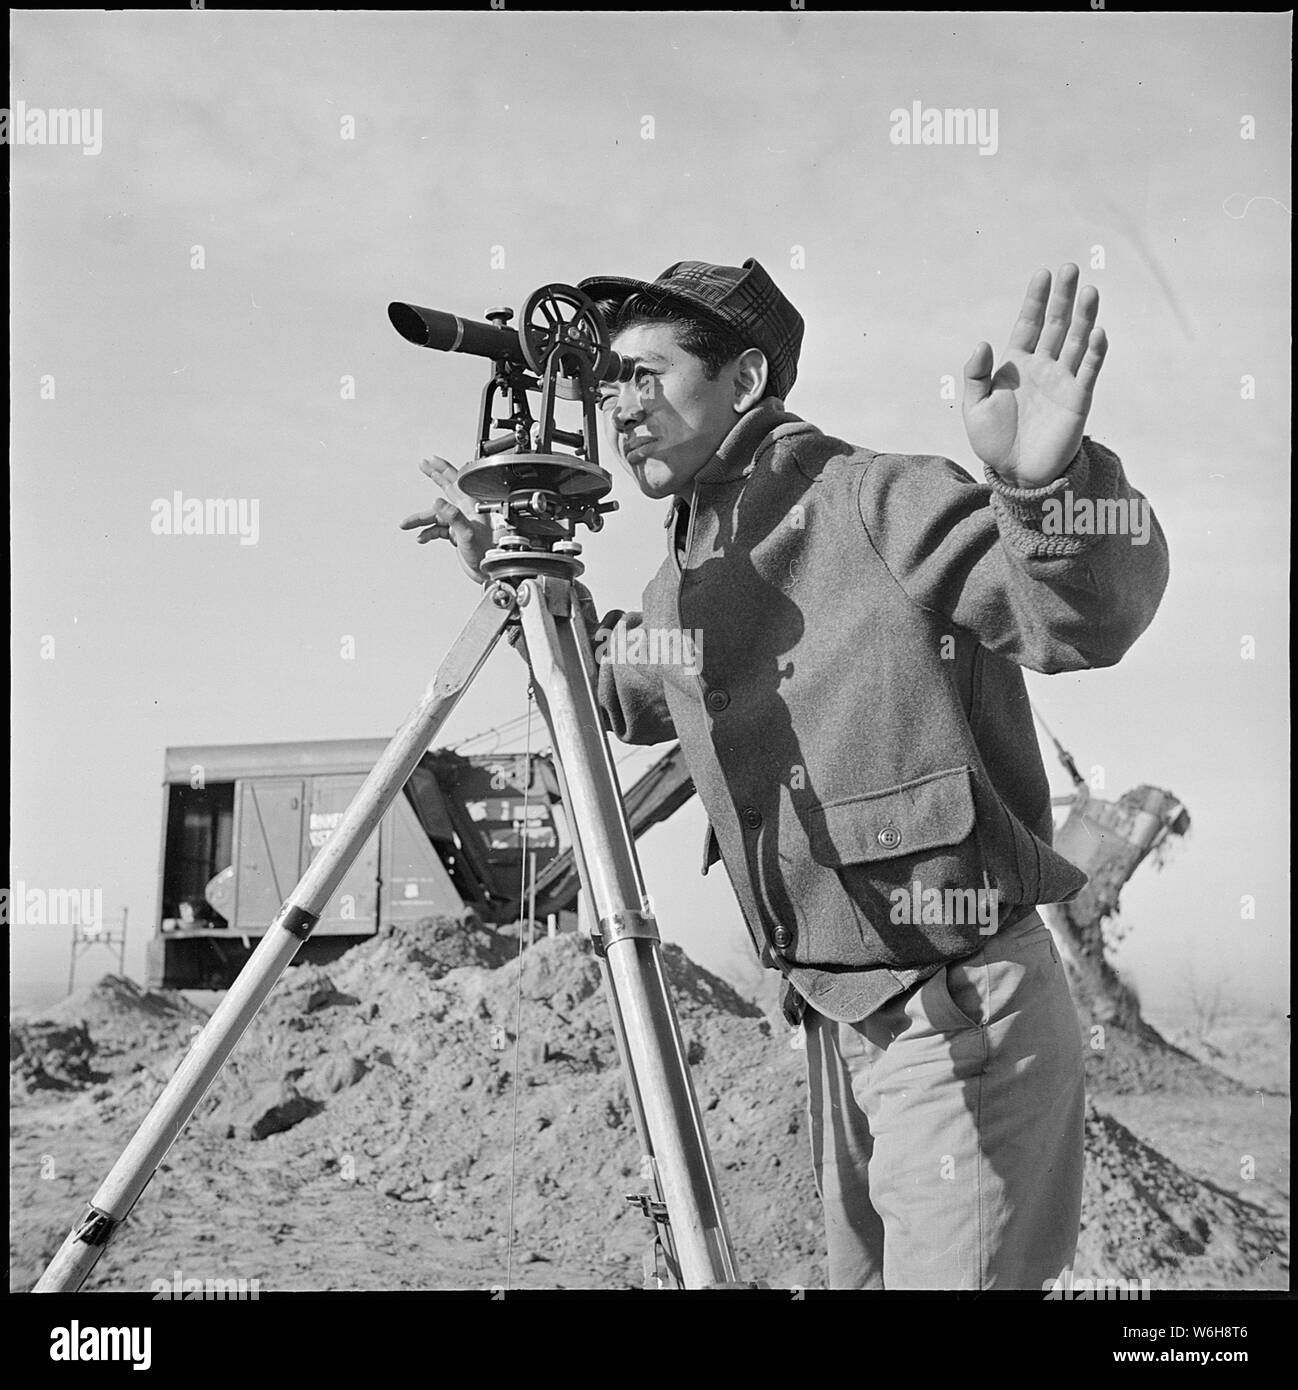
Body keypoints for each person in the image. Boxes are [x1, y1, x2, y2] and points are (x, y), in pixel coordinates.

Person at [400, 257, 1169, 1290]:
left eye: (646, 374)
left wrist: (1043, 485)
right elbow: (608, 694)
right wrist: (504, 565)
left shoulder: (873, 502)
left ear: (745, 381)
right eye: (605, 383)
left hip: (960, 1022)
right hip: (834, 1028)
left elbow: (1083, 614)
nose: (615, 406)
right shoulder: (688, 583)